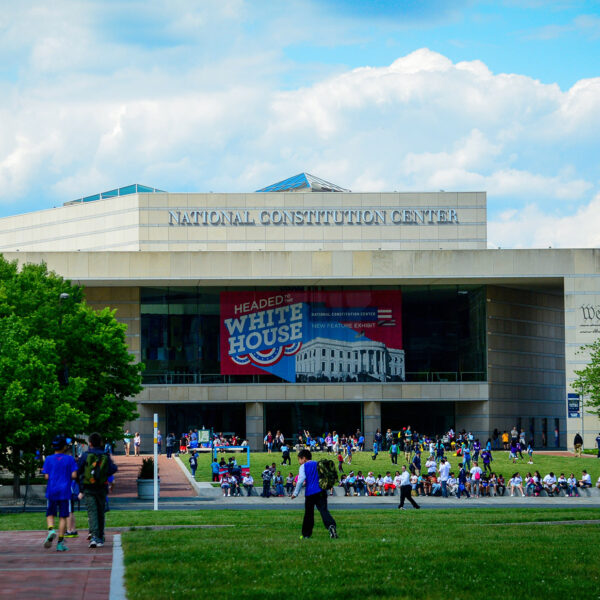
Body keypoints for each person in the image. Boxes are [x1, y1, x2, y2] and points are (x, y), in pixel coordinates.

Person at [78, 432, 118, 548]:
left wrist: (81, 487)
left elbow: (79, 471)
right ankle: (100, 536)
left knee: (92, 512)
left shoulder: (85, 455)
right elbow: (113, 469)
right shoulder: (105, 455)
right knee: (101, 512)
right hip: (102, 487)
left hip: (89, 488)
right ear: (100, 442)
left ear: (89, 443)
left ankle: (94, 536)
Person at [42, 436, 78, 552]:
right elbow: (74, 475)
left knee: (50, 513)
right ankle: (60, 542)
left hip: (52, 490)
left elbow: (46, 476)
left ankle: (51, 530)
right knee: (63, 516)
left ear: (53, 446)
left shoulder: (48, 459)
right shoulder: (69, 459)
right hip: (65, 491)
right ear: (64, 447)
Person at [291, 449, 338, 539]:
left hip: (310, 493)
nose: (299, 462)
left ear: (303, 458)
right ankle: (331, 526)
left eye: (299, 459)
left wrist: (295, 493)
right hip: (321, 491)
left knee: (309, 514)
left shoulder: (303, 466)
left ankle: (306, 534)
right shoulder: (318, 464)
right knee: (324, 511)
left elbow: (300, 480)